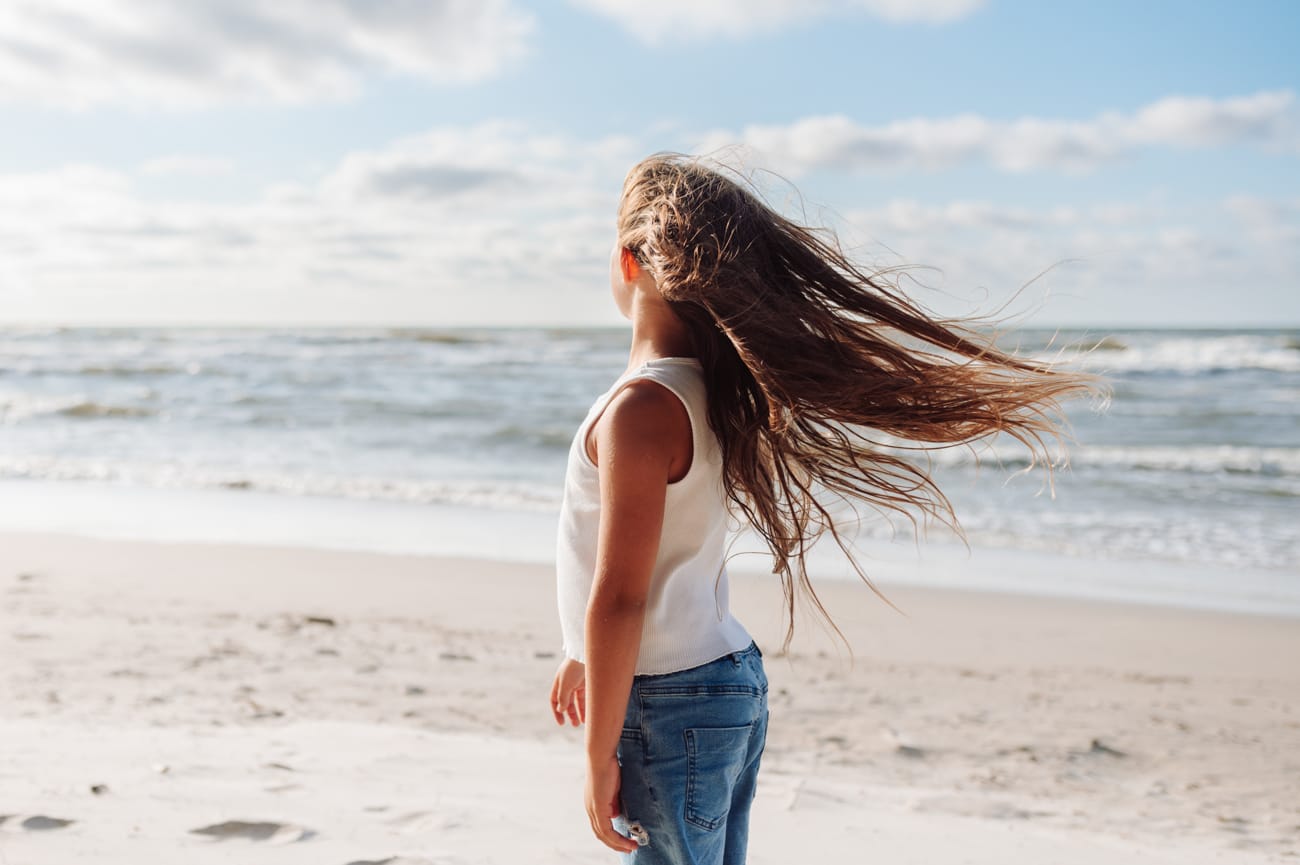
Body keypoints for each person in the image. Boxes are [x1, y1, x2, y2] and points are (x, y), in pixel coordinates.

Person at [549, 152, 1104, 864]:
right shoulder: (705, 392)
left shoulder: (641, 406)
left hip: (670, 699)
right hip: (717, 683)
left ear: (629, 262)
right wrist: (578, 650)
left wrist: (597, 759)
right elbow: (649, 560)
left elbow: (623, 594)